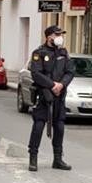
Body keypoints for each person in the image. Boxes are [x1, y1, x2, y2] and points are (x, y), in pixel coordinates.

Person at [26, 25, 75, 172]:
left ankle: (58, 159)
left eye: (61, 34)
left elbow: (70, 71)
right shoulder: (39, 53)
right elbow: (36, 73)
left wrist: (61, 85)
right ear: (49, 37)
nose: (60, 37)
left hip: (59, 95)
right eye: (57, 34)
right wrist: (52, 85)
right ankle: (33, 158)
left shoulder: (63, 52)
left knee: (59, 127)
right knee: (39, 126)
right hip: (44, 95)